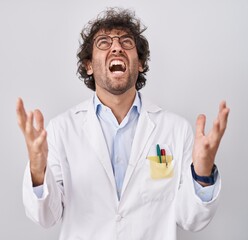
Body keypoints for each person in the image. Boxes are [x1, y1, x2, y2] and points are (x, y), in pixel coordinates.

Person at [16, 8, 229, 240]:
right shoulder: (61, 130)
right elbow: (46, 216)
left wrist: (203, 172)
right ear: (88, 65)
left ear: (140, 64)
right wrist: (38, 170)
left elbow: (192, 218)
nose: (116, 47)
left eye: (127, 42)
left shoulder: (176, 130)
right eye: (104, 42)